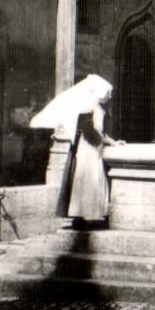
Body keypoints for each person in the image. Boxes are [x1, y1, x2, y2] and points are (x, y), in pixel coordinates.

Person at [64, 83, 121, 226]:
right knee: (88, 176)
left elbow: (100, 132)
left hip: (95, 147)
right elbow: (91, 132)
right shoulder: (88, 109)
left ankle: (93, 212)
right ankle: (83, 213)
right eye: (108, 93)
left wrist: (112, 141)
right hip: (88, 147)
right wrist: (107, 141)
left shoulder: (99, 109)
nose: (110, 96)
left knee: (94, 175)